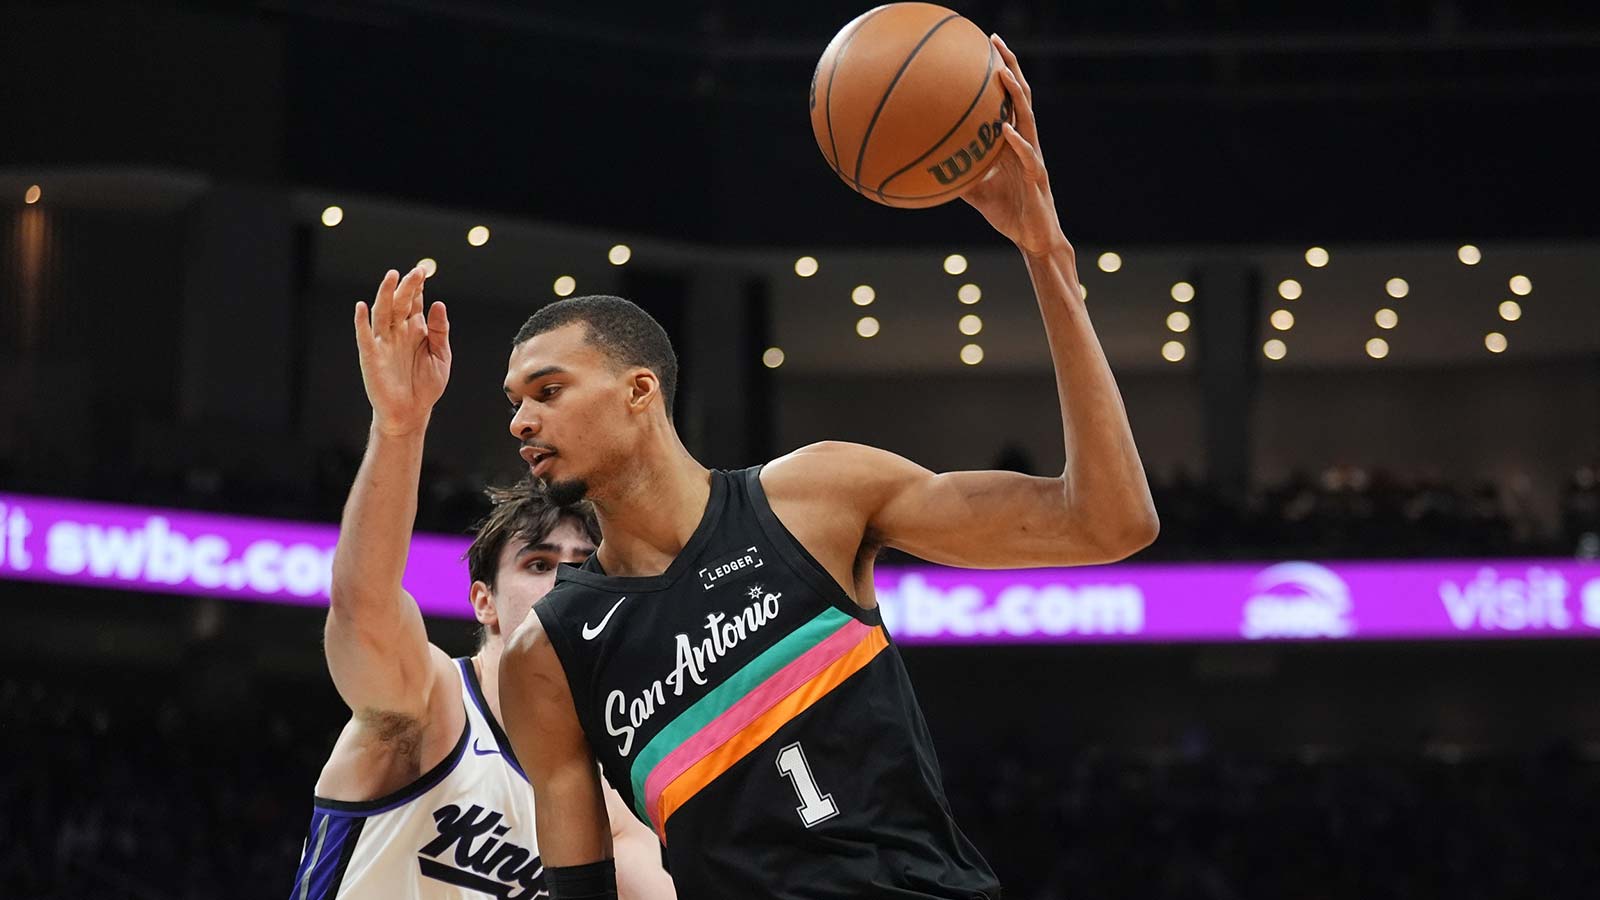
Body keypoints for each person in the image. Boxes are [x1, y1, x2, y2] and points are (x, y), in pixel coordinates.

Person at [499, 36, 1158, 900]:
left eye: (548, 389)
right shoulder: (544, 650)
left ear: (639, 390)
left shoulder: (815, 496)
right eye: (515, 401)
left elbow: (1108, 523)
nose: (522, 419)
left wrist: (1047, 257)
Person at [288, 269, 676, 900]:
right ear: (483, 601)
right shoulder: (429, 705)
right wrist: (399, 428)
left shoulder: (608, 798)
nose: (567, 583)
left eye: (584, 565)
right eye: (540, 564)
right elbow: (363, 608)